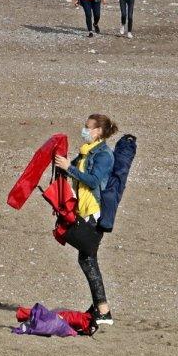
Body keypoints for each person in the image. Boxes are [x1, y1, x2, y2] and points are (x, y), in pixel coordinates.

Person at [53, 114, 118, 326]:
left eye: (88, 127)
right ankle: (100, 308)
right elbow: (71, 171)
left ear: (98, 131)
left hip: (95, 212)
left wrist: (69, 168)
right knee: (87, 258)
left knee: (87, 258)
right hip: (83, 210)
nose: (84, 130)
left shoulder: (104, 155)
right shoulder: (85, 152)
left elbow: (93, 180)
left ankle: (103, 310)